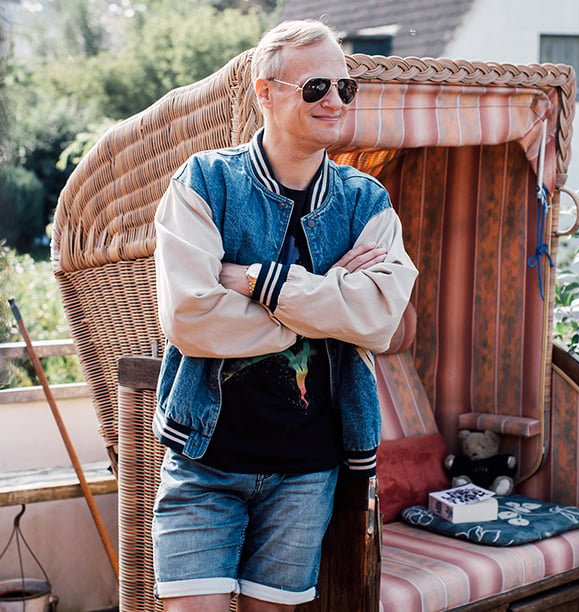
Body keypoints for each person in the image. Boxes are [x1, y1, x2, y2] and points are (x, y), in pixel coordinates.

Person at [151, 18, 418, 612]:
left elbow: (377, 321)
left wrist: (255, 282)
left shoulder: (366, 201)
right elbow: (193, 321)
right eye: (316, 86)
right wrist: (329, 298)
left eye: (345, 88)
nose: (334, 101)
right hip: (204, 463)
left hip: (307, 473)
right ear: (265, 92)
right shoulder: (202, 183)